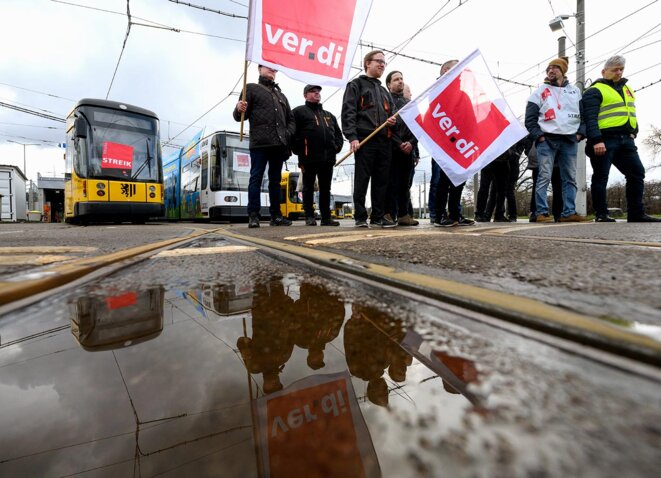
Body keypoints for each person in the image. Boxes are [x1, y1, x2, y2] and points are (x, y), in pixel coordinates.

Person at [583, 55, 660, 223]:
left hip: (626, 139)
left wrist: (634, 131)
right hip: (604, 139)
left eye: (621, 69)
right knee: (601, 176)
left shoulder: (628, 89)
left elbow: (630, 111)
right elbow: (589, 118)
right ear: (604, 71)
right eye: (614, 70)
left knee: (637, 172)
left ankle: (636, 213)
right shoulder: (594, 90)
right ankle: (601, 214)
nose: (618, 72)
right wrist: (596, 140)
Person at [525, 58, 588, 223]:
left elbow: (584, 116)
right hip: (547, 140)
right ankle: (541, 213)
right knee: (544, 176)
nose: (551, 71)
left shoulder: (575, 92)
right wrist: (539, 136)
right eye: (549, 69)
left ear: (563, 71)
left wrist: (580, 133)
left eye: (555, 68)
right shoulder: (538, 92)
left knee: (570, 178)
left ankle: (569, 212)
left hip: (569, 140)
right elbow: (529, 120)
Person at [341, 50, 399, 228]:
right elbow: (348, 111)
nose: (382, 64)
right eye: (378, 61)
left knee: (381, 181)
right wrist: (352, 137)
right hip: (365, 140)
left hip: (384, 141)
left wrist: (392, 120)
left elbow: (393, 113)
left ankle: (377, 216)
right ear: (367, 63)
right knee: (362, 179)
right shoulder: (356, 85)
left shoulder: (384, 91)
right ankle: (360, 216)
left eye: (384, 62)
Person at [234, 64, 295, 228]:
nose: (272, 70)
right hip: (260, 143)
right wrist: (238, 108)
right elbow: (240, 116)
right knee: (256, 178)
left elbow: (291, 119)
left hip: (279, 144)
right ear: (259, 69)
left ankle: (276, 216)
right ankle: (254, 215)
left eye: (274, 68)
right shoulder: (250, 88)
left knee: (275, 181)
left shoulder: (281, 95)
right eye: (268, 67)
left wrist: (287, 133)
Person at [292, 85, 343, 226]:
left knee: (326, 188)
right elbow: (291, 132)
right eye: (313, 92)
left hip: (327, 158)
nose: (317, 94)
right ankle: (309, 216)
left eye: (318, 92)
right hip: (308, 158)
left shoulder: (328, 115)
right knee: (308, 187)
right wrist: (299, 149)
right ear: (305, 95)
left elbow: (338, 134)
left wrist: (336, 148)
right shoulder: (298, 112)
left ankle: (326, 217)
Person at [432, 60, 475, 227]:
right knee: (442, 181)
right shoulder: (436, 91)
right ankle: (440, 215)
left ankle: (455, 214)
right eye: (455, 69)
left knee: (459, 180)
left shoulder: (463, 95)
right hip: (443, 144)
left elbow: (471, 120)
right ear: (445, 71)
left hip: (460, 145)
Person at [385, 71, 419, 226]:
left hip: (408, 149)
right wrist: (399, 143)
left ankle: (404, 215)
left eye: (401, 79)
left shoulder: (410, 105)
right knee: (391, 182)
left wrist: (411, 143)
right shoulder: (385, 101)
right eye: (396, 79)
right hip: (391, 148)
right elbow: (385, 126)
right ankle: (389, 214)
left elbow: (419, 127)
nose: (400, 81)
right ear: (389, 84)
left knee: (405, 184)